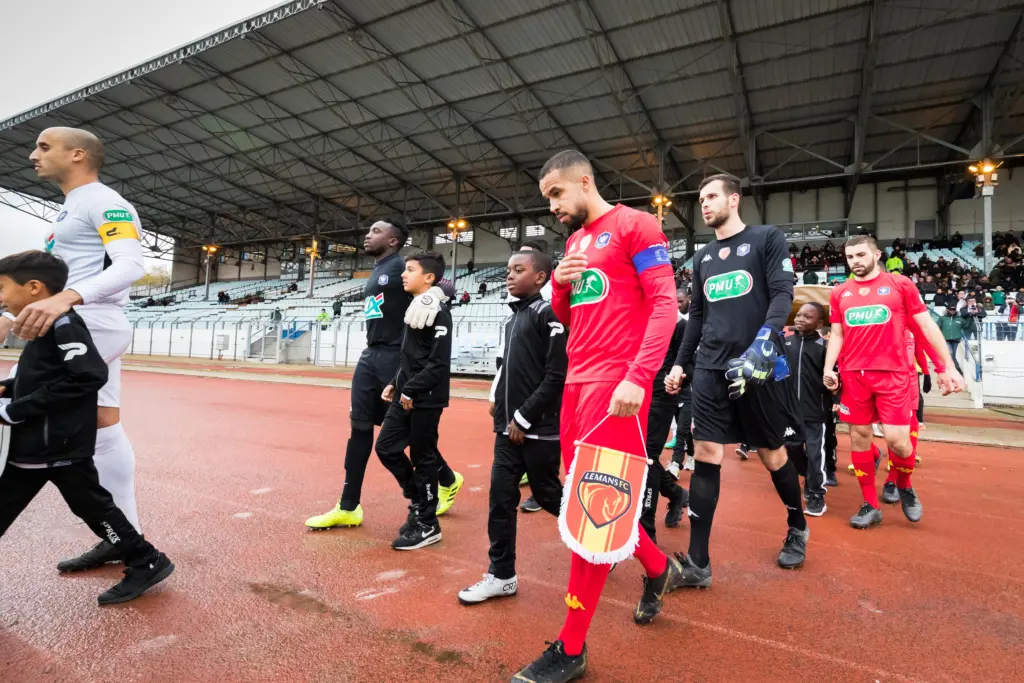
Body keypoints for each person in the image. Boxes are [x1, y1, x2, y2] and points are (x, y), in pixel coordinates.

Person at [513, 151, 682, 683]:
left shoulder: (636, 225)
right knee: (587, 496)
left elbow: (665, 305)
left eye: (556, 194)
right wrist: (561, 285)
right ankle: (660, 567)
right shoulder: (574, 244)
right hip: (576, 384)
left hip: (617, 386)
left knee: (593, 508)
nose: (552, 207)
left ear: (584, 182)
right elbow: (568, 316)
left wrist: (639, 376)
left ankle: (571, 649)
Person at [0, 127, 147, 574]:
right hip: (86, 320)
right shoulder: (71, 209)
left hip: (89, 322)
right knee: (103, 427)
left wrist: (66, 298)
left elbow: (131, 263)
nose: (33, 155)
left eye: (44, 147)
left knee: (22, 407)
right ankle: (127, 539)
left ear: (78, 155)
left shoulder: (104, 201)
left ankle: (129, 542)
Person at [0, 251, 173, 604]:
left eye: (1, 287)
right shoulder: (44, 326)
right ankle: (145, 558)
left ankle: (146, 559)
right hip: (36, 447)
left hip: (58, 447)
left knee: (96, 509)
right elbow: (43, 377)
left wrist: (15, 410)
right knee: (91, 508)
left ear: (33, 288)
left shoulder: (64, 325)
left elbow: (88, 376)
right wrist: (8, 387)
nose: (0, 297)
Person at [665, 173, 809, 590]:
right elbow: (697, 316)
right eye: (701, 199)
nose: (705, 204)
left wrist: (765, 339)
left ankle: (797, 526)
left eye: (712, 196)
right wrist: (680, 364)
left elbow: (782, 294)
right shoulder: (703, 257)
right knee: (706, 452)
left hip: (757, 366)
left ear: (734, 199)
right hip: (711, 368)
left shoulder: (767, 238)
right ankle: (698, 562)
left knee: (772, 454)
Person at [306, 220, 463, 531]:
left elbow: (445, 284)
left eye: (376, 231)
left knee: (407, 434)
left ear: (393, 241)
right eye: (368, 230)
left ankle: (443, 481)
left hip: (397, 357)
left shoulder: (402, 265)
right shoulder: (376, 269)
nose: (368, 234)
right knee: (359, 427)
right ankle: (348, 506)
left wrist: (433, 296)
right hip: (371, 355)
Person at [823, 235, 964, 529]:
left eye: (861, 255)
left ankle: (904, 484)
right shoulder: (840, 292)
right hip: (854, 376)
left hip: (894, 375)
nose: (855, 261)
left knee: (899, 442)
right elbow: (836, 334)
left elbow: (925, 326)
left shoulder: (901, 285)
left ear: (876, 255)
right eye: (850, 257)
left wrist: (947, 367)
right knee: (859, 438)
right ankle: (870, 505)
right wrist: (829, 368)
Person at [458, 250, 566, 604]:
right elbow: (509, 369)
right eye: (508, 269)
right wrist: (498, 403)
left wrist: (524, 416)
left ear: (541, 277)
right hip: (506, 430)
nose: (509, 275)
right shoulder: (512, 319)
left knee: (549, 496)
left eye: (519, 270)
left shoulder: (549, 315)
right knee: (500, 500)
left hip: (538, 429)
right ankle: (502, 575)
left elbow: (556, 376)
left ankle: (599, 545)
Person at [375, 250, 454, 550]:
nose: (403, 274)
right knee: (386, 447)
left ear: (429, 277)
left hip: (425, 398)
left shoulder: (438, 311)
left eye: (410, 269)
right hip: (405, 393)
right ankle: (419, 501)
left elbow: (438, 363)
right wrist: (395, 383)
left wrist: (411, 389)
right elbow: (411, 356)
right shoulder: (417, 306)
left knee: (424, 458)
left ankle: (428, 524)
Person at [640, 289, 691, 541]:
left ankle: (646, 528)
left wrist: (679, 380)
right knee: (636, 454)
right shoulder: (636, 317)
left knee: (647, 457)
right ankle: (675, 493)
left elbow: (689, 363)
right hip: (633, 390)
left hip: (661, 394)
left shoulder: (680, 325)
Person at [782, 303, 835, 517]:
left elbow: (834, 377)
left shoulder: (825, 347)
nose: (800, 319)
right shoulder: (785, 342)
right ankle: (809, 476)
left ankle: (817, 494)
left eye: (808, 316)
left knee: (815, 454)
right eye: (799, 315)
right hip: (790, 411)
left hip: (815, 411)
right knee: (791, 447)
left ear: (819, 323)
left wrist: (835, 393)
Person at [667, 290, 695, 477]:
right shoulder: (666, 326)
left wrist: (685, 378)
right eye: (674, 302)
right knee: (682, 428)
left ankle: (676, 463)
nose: (677, 305)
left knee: (682, 429)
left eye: (681, 301)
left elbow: (689, 358)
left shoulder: (685, 325)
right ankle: (692, 454)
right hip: (669, 386)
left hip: (686, 386)